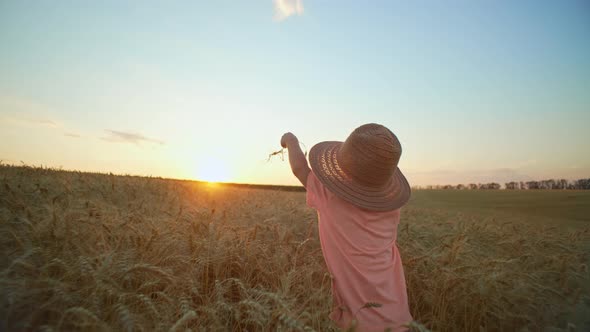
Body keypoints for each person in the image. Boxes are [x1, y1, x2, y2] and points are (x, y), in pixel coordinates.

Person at [280, 123, 413, 331]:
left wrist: (291, 140)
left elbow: (299, 169)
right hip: (399, 316)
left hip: (359, 322)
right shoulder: (391, 210)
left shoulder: (328, 195)